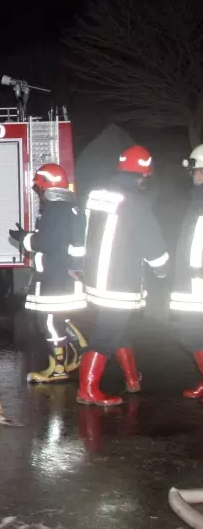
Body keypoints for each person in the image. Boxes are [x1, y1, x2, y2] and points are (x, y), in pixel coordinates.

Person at [77, 145, 169, 406]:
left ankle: (132, 379)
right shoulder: (136, 201)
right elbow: (152, 243)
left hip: (96, 279)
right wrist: (163, 269)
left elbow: (83, 232)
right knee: (106, 334)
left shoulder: (95, 195)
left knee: (120, 327)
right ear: (144, 174)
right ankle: (88, 389)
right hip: (120, 282)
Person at [9, 163, 89, 384]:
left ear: (47, 185)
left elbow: (46, 242)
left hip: (55, 276)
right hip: (63, 274)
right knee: (58, 317)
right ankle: (80, 348)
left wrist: (24, 237)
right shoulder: (70, 208)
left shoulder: (54, 209)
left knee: (50, 321)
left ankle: (58, 368)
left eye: (40, 187)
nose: (39, 192)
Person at [172, 144, 203, 399]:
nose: (193, 176)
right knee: (192, 333)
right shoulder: (196, 200)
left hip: (198, 283)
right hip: (192, 281)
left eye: (196, 170)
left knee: (191, 333)